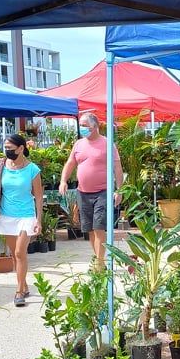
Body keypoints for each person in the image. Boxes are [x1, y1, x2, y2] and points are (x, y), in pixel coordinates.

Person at [59, 112, 123, 270]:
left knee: (99, 227)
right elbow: (70, 163)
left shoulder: (108, 144)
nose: (82, 128)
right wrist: (63, 181)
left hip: (103, 191)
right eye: (81, 125)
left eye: (85, 126)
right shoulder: (79, 144)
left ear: (95, 126)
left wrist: (119, 190)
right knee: (90, 229)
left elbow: (117, 168)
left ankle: (100, 264)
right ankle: (98, 259)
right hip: (83, 192)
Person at [0, 134, 42, 307]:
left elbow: (38, 197)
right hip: (6, 215)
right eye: (5, 148)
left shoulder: (32, 169)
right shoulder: (0, 166)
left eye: (11, 148)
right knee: (15, 254)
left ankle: (19, 291)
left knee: (19, 253)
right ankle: (24, 284)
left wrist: (39, 219)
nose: (7, 151)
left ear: (21, 149)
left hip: (26, 215)